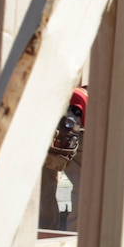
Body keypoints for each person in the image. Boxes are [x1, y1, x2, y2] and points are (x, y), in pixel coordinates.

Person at [38, 86, 87, 231]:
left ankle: (44, 231)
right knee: (84, 185)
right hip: (73, 128)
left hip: (52, 126)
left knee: (44, 186)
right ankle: (76, 236)